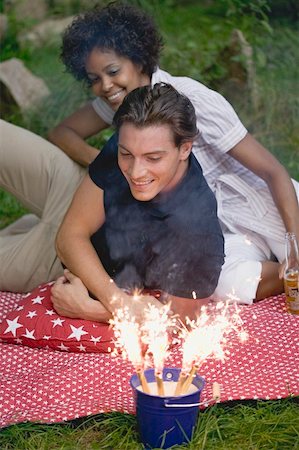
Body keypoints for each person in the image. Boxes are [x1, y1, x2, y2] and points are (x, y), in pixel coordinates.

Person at [1, 2, 298, 304]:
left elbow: (272, 171)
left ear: (140, 59)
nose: (105, 85)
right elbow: (62, 133)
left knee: (225, 283)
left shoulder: (190, 101)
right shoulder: (119, 104)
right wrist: (109, 163)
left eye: (113, 71)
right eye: (94, 78)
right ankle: (28, 228)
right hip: (98, 203)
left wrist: (292, 245)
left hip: (254, 208)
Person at [51, 83, 225, 322]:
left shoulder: (199, 232)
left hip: (57, 265)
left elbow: (177, 322)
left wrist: (88, 309)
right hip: (66, 235)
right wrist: (118, 302)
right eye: (126, 155)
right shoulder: (134, 140)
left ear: (185, 148)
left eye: (153, 158)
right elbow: (69, 235)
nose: (135, 171)